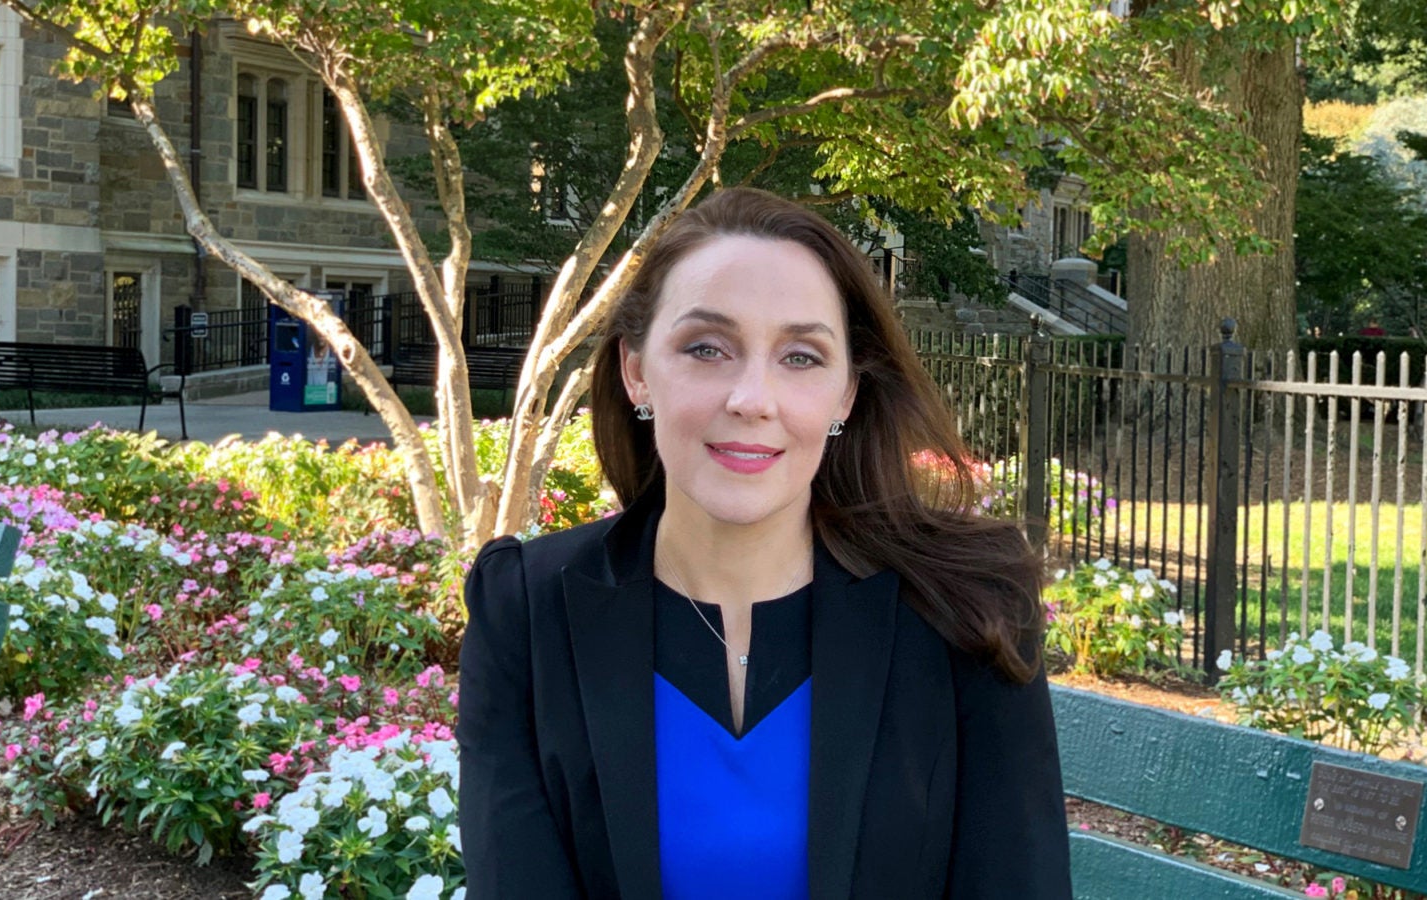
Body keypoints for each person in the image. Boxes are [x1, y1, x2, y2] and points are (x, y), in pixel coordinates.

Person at [458, 188, 1070, 899]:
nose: (752, 398)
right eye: (706, 349)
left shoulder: (967, 610)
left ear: (846, 394)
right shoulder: (527, 611)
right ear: (636, 371)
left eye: (801, 357)